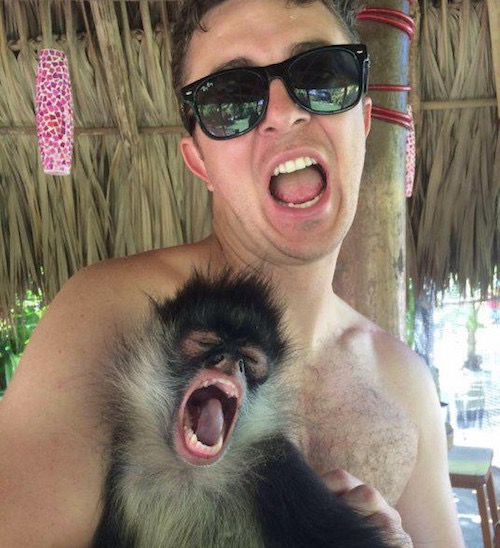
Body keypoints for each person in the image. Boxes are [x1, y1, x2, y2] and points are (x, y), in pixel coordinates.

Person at [0, 0, 464, 546]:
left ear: (362, 121)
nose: (283, 112)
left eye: (321, 75)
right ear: (199, 160)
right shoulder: (112, 313)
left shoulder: (405, 381)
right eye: (231, 99)